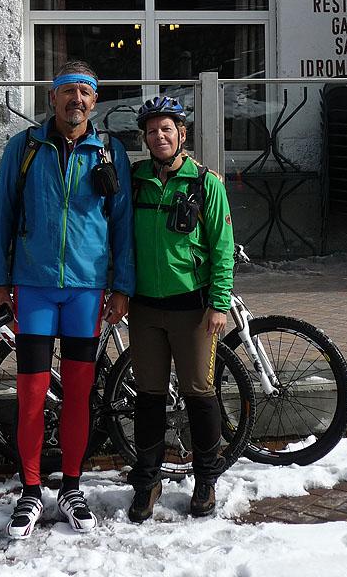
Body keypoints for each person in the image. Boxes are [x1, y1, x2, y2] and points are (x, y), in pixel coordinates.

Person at [0, 61, 135, 539]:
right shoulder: (25, 147)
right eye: (68, 90)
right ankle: (30, 490)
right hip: (33, 288)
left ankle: (71, 486)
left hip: (87, 292)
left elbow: (123, 227)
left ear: (95, 100)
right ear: (52, 98)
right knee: (30, 393)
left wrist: (123, 286)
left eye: (85, 92)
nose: (77, 99)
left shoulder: (109, 152)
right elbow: (2, 217)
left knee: (79, 393)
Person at [126, 95, 234, 523]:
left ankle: (206, 479)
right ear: (145, 138)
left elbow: (222, 249)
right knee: (149, 398)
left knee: (199, 394)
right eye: (152, 131)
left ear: (181, 133)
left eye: (166, 129)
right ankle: (147, 480)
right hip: (145, 308)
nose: (159, 136)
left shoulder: (205, 183)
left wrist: (218, 304)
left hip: (193, 308)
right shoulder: (135, 179)